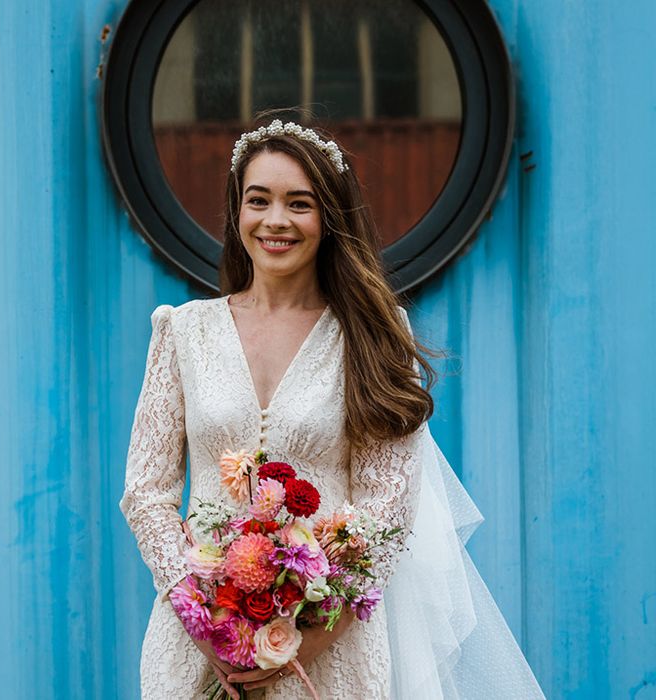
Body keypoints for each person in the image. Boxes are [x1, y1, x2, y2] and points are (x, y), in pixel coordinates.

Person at [120, 119, 545, 699]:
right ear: (237, 211)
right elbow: (146, 491)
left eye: (300, 203)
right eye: (258, 200)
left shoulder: (373, 335)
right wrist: (202, 620)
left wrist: (297, 645)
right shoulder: (182, 332)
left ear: (329, 218)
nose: (276, 220)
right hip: (196, 642)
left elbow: (386, 510)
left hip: (329, 647)